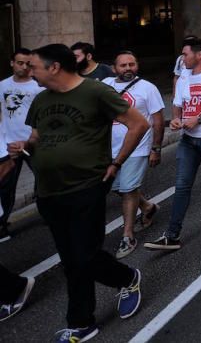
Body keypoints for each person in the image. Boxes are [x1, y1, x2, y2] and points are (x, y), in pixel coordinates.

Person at [9, 44, 146, 340]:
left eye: (34, 66)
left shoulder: (96, 92)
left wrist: (117, 162)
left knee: (83, 256)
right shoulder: (42, 100)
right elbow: (35, 137)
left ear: (54, 67)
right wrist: (25, 146)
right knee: (72, 259)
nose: (28, 71)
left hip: (87, 187)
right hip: (49, 193)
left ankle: (105, 299)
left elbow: (138, 123)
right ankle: (101, 303)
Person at [146, 38, 201, 251]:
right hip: (188, 140)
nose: (182, 58)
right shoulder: (184, 78)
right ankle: (172, 235)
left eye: (185, 54)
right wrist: (177, 119)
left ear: (199, 55)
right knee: (182, 185)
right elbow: (178, 104)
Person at [102, 51, 165, 258]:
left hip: (137, 147)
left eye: (132, 64)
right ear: (114, 69)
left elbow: (157, 120)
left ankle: (127, 235)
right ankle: (147, 207)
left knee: (128, 189)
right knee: (117, 188)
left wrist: (155, 148)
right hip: (108, 149)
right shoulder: (105, 85)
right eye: (123, 65)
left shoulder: (148, 88)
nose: (128, 68)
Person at [0, 48, 43, 241]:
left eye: (28, 64)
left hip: (33, 143)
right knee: (6, 187)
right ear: (12, 63)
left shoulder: (38, 87)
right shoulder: (2, 85)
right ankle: (2, 224)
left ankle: (50, 214)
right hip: (9, 146)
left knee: (44, 181)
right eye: (20, 63)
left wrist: (31, 140)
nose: (24, 67)